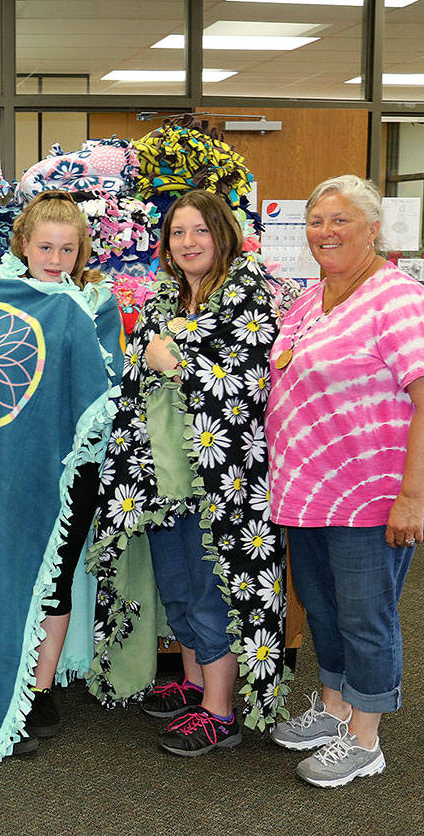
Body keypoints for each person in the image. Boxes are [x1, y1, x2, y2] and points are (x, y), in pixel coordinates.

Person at [88, 189, 291, 756]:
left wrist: (172, 362)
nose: (189, 242)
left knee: (213, 587)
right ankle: (197, 679)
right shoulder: (167, 296)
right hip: (160, 477)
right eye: (178, 233)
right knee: (176, 581)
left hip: (220, 477)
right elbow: (135, 372)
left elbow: (250, 385)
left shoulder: (252, 295)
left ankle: (219, 710)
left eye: (200, 230)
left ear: (223, 233)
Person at [267, 174, 424, 788]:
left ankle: (365, 739)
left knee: (366, 615)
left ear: (374, 228)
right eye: (317, 220)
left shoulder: (400, 300)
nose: (325, 232)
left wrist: (410, 499)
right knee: (322, 609)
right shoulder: (311, 299)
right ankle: (333, 707)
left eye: (340, 219)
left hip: (372, 494)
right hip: (309, 489)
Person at [0, 191, 123, 761]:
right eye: (45, 246)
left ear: (82, 251)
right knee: (1, 572)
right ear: (22, 243)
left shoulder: (95, 304)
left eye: (67, 249)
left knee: (53, 577)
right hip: (3, 463)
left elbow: (108, 383)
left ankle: (40, 687)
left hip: (68, 466)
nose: (55, 259)